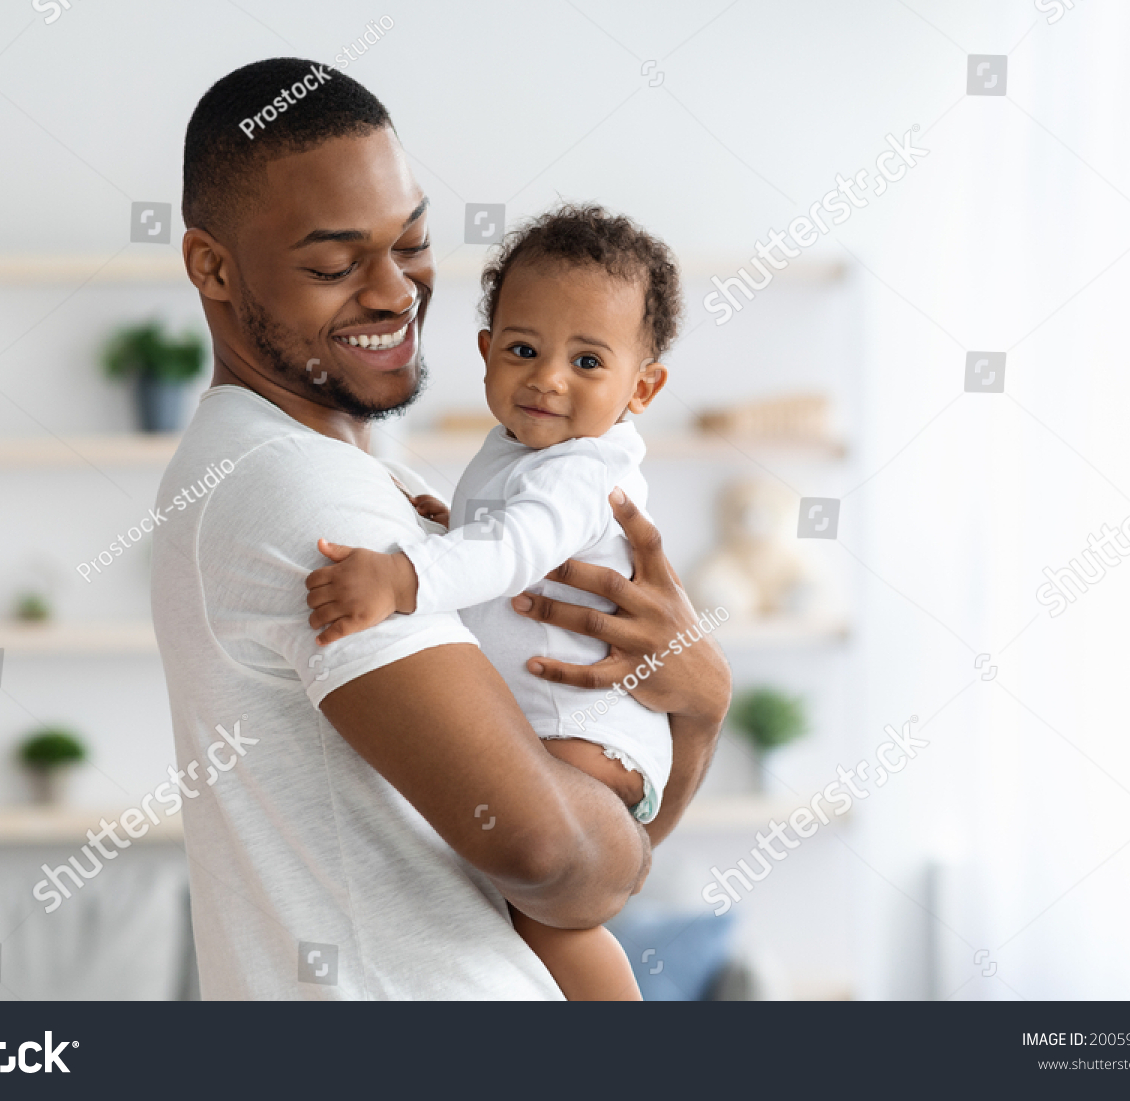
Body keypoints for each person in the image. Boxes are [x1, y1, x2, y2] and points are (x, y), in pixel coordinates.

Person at [150, 57, 730, 999]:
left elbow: (571, 872)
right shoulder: (306, 499)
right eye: (336, 263)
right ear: (212, 267)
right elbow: (553, 859)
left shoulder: (375, 486)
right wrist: (697, 720)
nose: (394, 292)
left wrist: (691, 715)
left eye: (412, 242)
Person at [305, 202, 683, 999]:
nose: (547, 378)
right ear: (485, 353)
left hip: (582, 731)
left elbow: (517, 546)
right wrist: (458, 527)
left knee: (549, 915)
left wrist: (406, 576)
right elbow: (506, 534)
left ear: (641, 387)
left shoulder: (584, 469)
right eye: (523, 349)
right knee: (514, 914)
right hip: (554, 724)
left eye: (588, 362)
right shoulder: (523, 447)